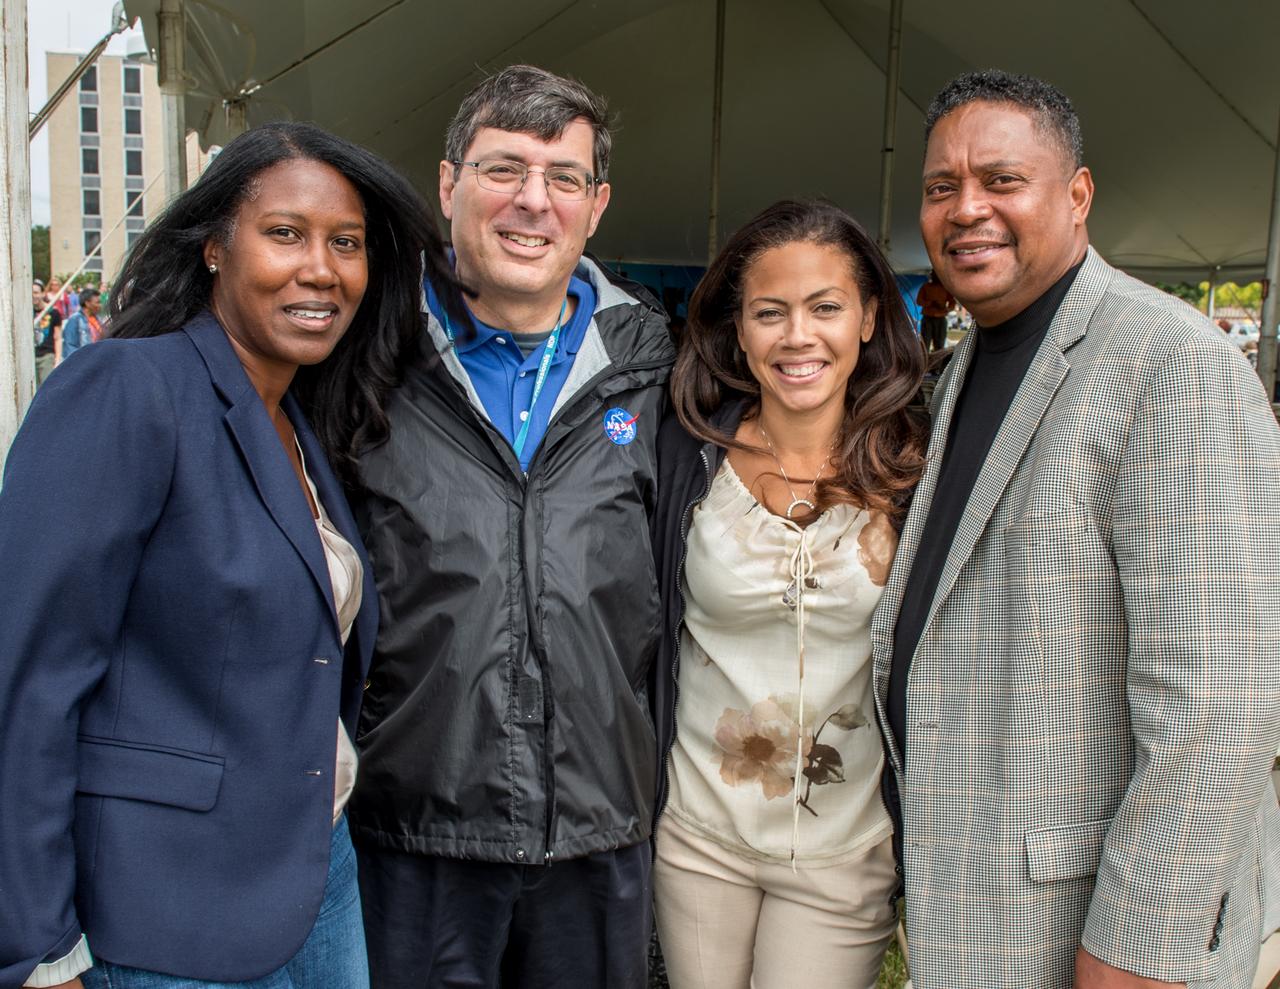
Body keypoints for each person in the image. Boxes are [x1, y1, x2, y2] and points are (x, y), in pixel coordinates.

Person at [0, 120, 462, 989]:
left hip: (316, 876)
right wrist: (39, 950)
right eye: (285, 233)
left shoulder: (296, 420)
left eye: (347, 243)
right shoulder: (129, 390)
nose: (321, 267)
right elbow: (24, 683)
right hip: (169, 912)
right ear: (214, 246)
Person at [873, 69, 1280, 989]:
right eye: (942, 187)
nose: (966, 209)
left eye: (1001, 181)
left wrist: (1136, 953)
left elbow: (1219, 704)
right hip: (984, 907)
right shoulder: (968, 363)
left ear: (1078, 194)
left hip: (1097, 938)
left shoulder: (1173, 362)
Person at [347, 64, 674, 989]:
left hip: (598, 838)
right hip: (414, 838)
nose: (534, 202)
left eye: (563, 177)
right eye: (504, 170)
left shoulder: (658, 377)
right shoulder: (365, 361)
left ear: (596, 204)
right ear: (447, 184)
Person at [650, 200, 928, 989]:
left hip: (845, 850)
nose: (797, 336)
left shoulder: (917, 469)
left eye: (825, 307)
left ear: (870, 318)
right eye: (769, 313)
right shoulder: (686, 452)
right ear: (739, 331)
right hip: (699, 835)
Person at [914, 270, 955, 352]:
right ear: (931, 276)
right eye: (933, 275)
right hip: (928, 317)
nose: (935, 277)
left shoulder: (945, 287)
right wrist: (930, 303)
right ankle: (925, 362)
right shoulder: (926, 287)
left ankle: (939, 363)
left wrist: (946, 309)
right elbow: (919, 301)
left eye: (937, 275)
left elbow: (952, 303)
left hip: (941, 318)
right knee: (925, 342)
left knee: (940, 343)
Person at [32, 279, 62, 385]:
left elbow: (57, 337)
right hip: (30, 356)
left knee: (45, 388)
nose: (33, 296)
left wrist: (57, 359)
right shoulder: (26, 311)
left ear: (43, 293)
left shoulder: (53, 312)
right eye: (31, 293)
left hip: (46, 356)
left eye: (36, 292)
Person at [60, 287, 102, 359]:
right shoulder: (75, 319)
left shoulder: (99, 319)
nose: (100, 305)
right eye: (97, 302)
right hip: (84, 360)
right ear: (87, 303)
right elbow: (70, 346)